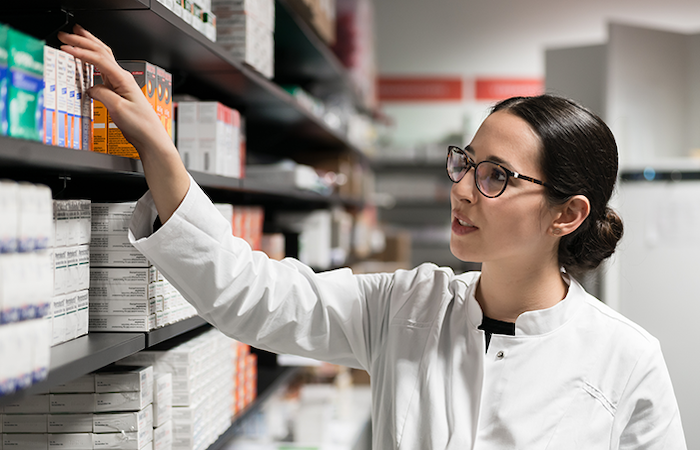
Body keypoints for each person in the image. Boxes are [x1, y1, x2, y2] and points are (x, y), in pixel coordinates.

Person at [59, 25, 686, 449]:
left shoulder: (627, 359)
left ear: (566, 215)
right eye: (465, 162)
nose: (463, 189)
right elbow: (251, 295)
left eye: (495, 177)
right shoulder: (408, 306)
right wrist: (162, 152)